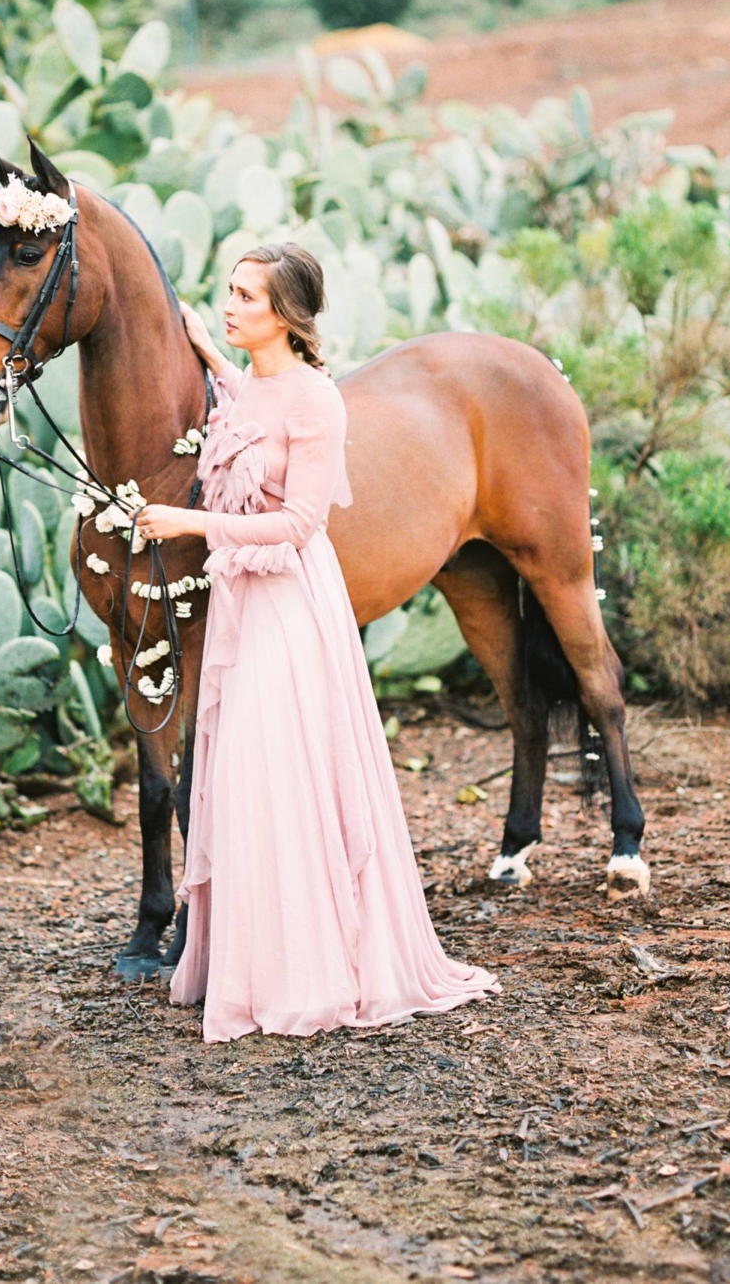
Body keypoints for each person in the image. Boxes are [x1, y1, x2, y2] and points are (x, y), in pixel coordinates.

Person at [136, 243, 498, 1044]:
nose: (229, 308)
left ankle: (306, 970)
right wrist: (201, 348)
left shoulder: (318, 402)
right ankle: (251, 961)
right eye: (227, 292)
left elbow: (300, 525)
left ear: (285, 316)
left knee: (285, 774)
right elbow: (240, 408)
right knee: (241, 775)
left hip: (290, 607)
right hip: (241, 602)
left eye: (246, 298)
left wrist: (190, 522)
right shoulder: (247, 387)